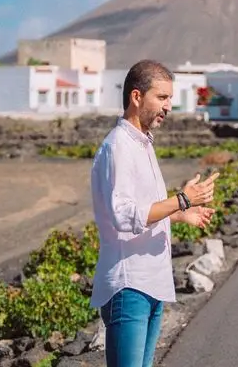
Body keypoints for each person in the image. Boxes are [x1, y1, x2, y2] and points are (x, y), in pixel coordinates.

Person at [89, 59, 219, 367]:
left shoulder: (142, 144)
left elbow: (142, 212)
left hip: (152, 282)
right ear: (137, 97)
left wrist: (179, 214)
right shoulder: (119, 146)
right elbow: (123, 215)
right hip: (129, 285)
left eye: (170, 99)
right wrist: (183, 199)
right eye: (162, 98)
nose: (169, 106)